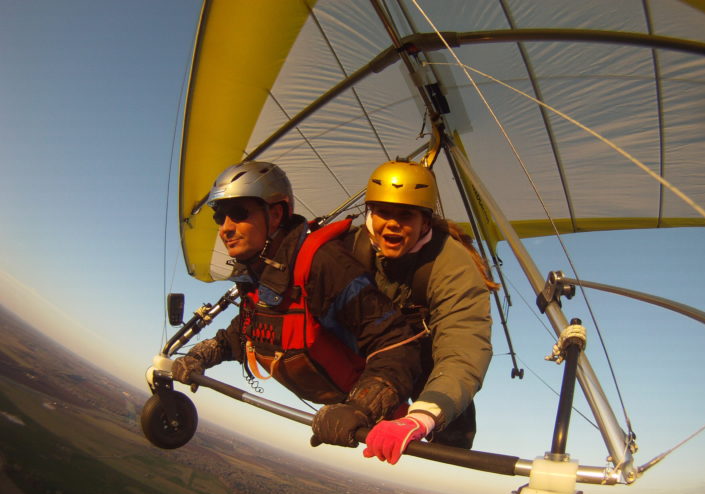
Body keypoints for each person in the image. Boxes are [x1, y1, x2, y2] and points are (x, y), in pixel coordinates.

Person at [172, 160, 423, 451]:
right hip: (337, 397)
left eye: (239, 214)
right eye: (220, 217)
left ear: (275, 214)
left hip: (373, 402)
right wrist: (201, 355)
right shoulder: (257, 271)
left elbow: (396, 341)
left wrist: (361, 407)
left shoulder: (321, 263)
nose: (225, 228)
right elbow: (247, 328)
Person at [348, 160, 497, 465]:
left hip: (428, 351)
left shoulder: (451, 265)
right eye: (383, 212)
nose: (392, 224)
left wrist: (423, 416)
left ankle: (447, 434)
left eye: (406, 215)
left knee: (454, 433)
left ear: (425, 223)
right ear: (370, 215)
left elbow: (464, 346)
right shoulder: (352, 248)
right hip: (377, 346)